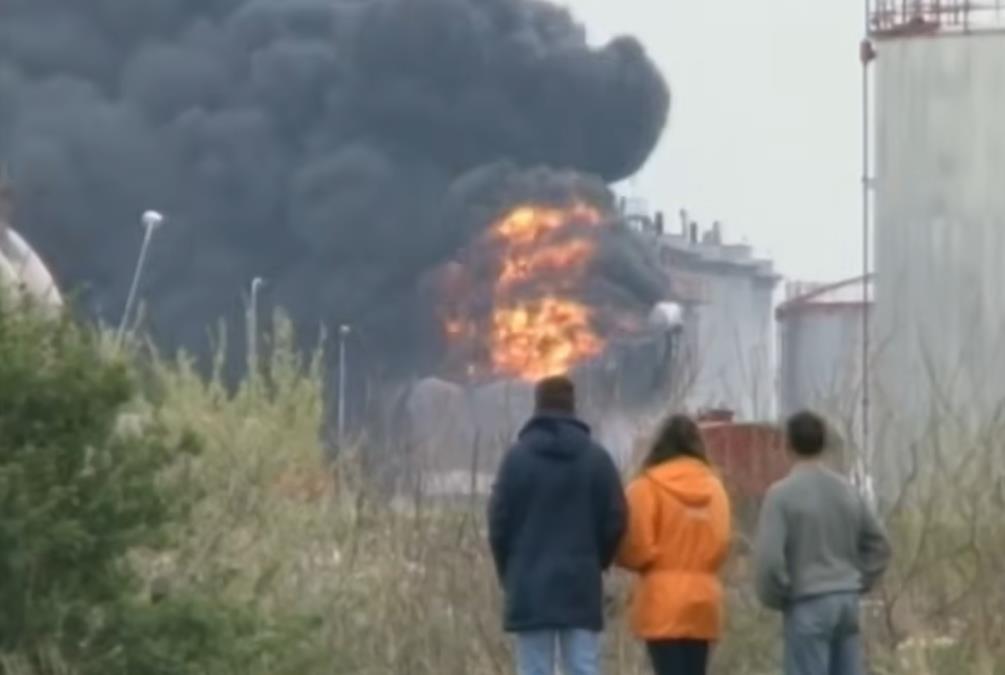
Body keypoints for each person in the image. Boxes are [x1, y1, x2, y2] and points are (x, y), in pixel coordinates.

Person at [488, 375, 627, 675]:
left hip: (528, 584)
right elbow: (616, 518)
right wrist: (597, 560)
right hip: (580, 583)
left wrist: (509, 571)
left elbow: (498, 524)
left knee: (534, 669)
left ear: (537, 407)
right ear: (572, 406)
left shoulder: (515, 460)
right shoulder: (597, 459)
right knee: (582, 668)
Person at [754, 410, 892, 675]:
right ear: (824, 443)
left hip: (806, 600)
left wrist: (778, 595)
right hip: (846, 601)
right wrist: (858, 581)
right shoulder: (848, 491)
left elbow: (770, 561)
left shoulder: (780, 496)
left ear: (787, 445)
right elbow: (880, 545)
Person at [616, 414, 732, 675]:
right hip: (704, 600)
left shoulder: (646, 487)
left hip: (662, 601)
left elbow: (638, 547)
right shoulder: (715, 488)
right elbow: (722, 543)